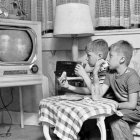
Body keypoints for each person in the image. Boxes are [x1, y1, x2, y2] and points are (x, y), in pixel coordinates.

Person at [92, 40, 140, 140]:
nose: (108, 59)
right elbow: (97, 96)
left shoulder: (132, 76)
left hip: (136, 110)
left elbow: (132, 104)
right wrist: (95, 73)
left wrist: (114, 105)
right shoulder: (110, 73)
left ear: (122, 59)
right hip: (123, 108)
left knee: (115, 120)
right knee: (98, 118)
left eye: (111, 56)